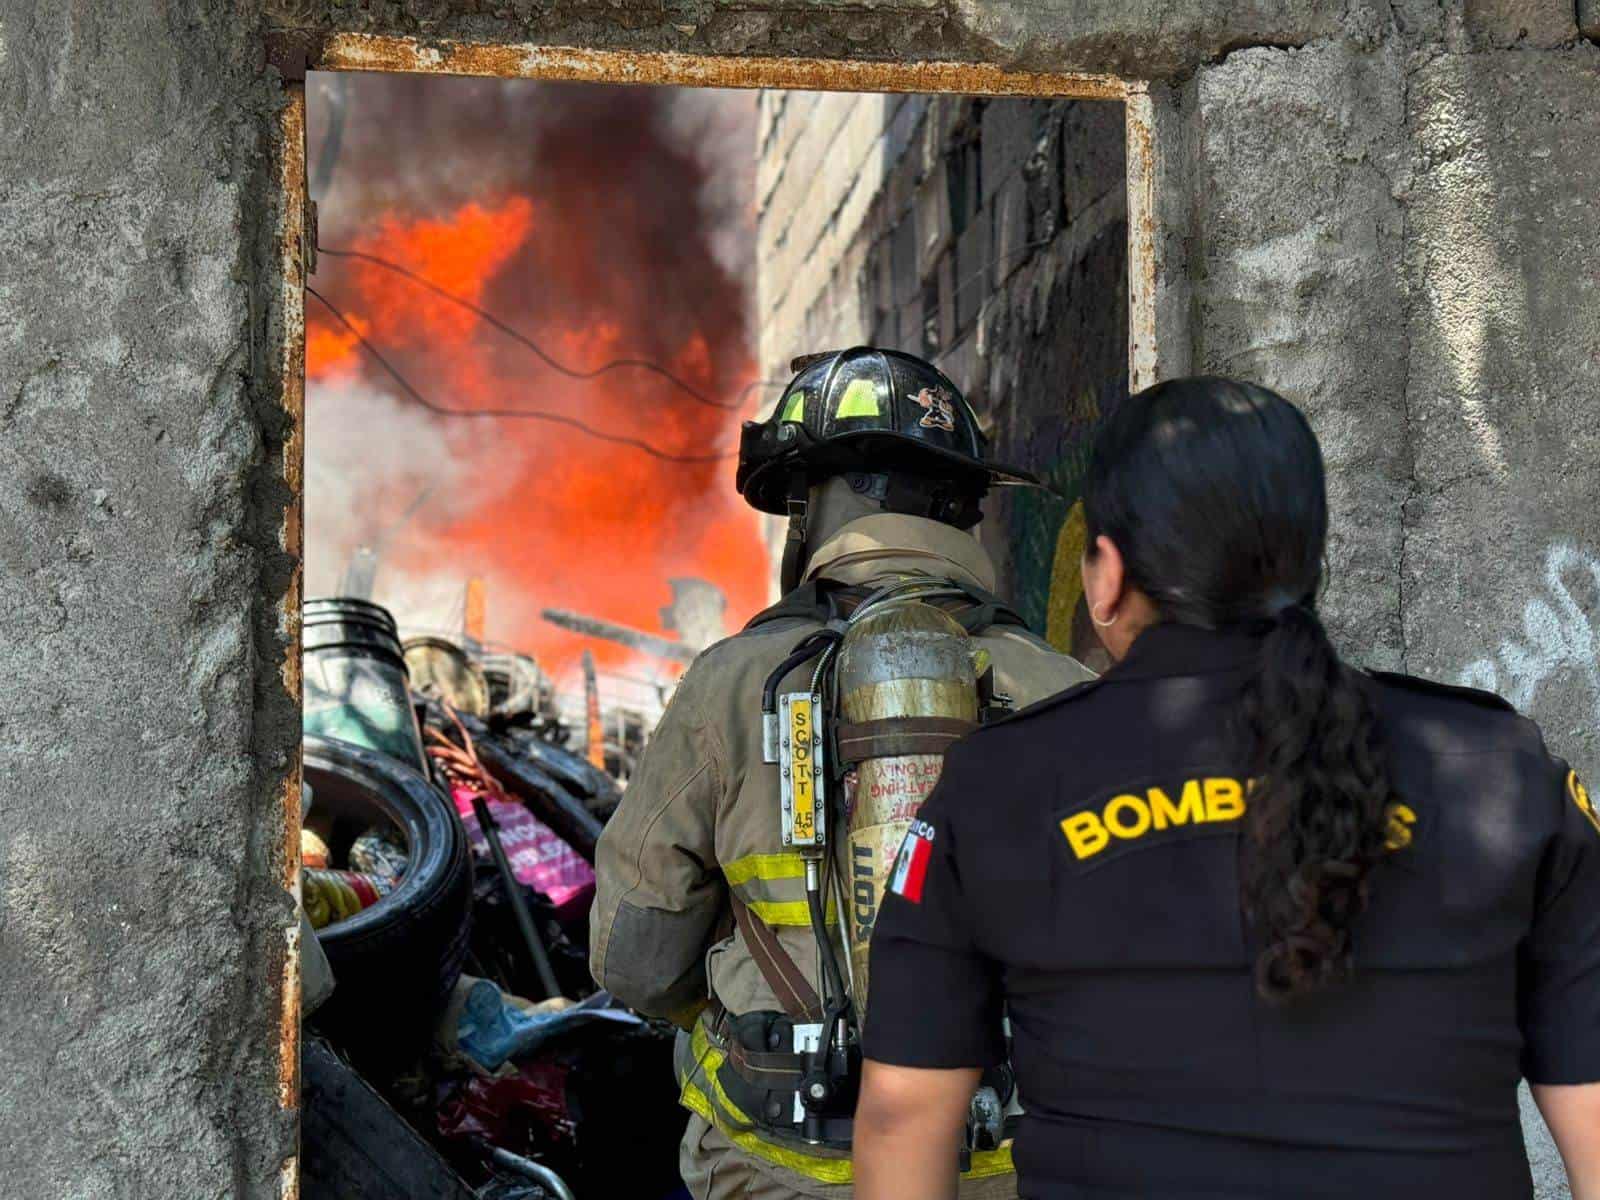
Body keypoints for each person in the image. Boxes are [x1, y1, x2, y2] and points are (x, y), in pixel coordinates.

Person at [855, 376, 1600, 1200]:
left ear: (1104, 574)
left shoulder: (997, 787)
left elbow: (903, 1118)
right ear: (1310, 562)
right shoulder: (1502, 768)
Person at [590, 347, 1094, 1200]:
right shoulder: (1065, 691)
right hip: (1013, 1165)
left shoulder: (731, 683)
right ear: (963, 506)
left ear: (814, 503)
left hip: (778, 1165)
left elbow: (635, 960)